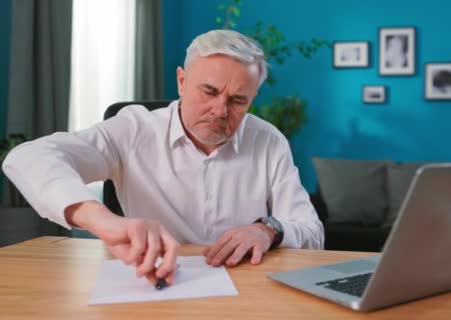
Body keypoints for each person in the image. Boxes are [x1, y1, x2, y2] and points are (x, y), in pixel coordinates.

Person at [2, 29, 324, 287]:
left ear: (252, 98)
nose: (220, 111)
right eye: (209, 91)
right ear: (182, 81)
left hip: (246, 289)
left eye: (238, 100)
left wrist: (268, 229)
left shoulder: (268, 140)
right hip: (153, 283)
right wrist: (104, 221)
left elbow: (312, 233)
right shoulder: (133, 129)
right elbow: (27, 157)